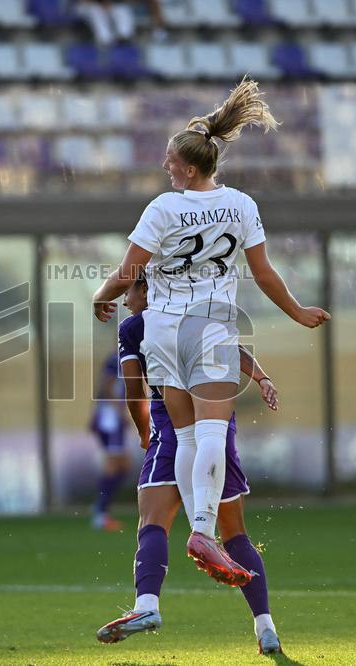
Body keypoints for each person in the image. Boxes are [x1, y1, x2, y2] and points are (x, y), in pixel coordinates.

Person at [92, 76, 329, 588]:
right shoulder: (241, 205)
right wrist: (296, 312)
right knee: (212, 434)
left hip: (161, 332)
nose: (165, 166)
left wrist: (101, 296)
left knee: (183, 436)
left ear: (190, 168)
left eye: (170, 160)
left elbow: (129, 272)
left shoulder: (162, 208)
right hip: (211, 329)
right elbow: (264, 273)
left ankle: (196, 533)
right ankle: (202, 529)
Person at [96, 274, 284, 654]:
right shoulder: (202, 312)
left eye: (129, 291)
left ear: (146, 289)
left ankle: (147, 606)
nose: (126, 300)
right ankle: (266, 628)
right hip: (218, 432)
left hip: (171, 430)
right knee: (235, 533)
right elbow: (231, 350)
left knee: (152, 522)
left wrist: (144, 432)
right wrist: (262, 377)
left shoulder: (135, 327)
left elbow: (134, 390)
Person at [89, 352, 130, 531]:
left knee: (124, 465)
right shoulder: (116, 359)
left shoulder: (128, 357)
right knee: (113, 464)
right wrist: (120, 411)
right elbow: (106, 386)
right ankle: (100, 513)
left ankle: (101, 507)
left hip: (112, 418)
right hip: (110, 419)